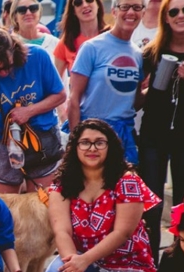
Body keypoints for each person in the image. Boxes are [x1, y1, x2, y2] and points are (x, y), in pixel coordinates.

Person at [44, 119, 160, 272]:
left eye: (99, 143)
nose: (92, 149)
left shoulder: (128, 180)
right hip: (85, 263)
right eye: (85, 143)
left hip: (126, 264)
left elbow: (122, 233)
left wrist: (82, 261)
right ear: (75, 147)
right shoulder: (62, 184)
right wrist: (72, 267)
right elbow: (62, 230)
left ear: (111, 147)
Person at [0, 29, 66, 193]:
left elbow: (60, 95)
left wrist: (29, 111)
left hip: (42, 137)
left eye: (8, 66)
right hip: (3, 142)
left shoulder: (38, 56)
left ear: (14, 49)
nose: (4, 73)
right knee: (5, 204)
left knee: (43, 205)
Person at [138, 0, 184, 259]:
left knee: (183, 205)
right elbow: (136, 102)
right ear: (165, 17)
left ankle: (179, 259)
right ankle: (149, 261)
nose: (180, 15)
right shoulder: (152, 52)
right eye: (174, 11)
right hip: (153, 137)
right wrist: (144, 87)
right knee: (150, 202)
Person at [67, 0, 145, 165]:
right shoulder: (91, 48)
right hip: (92, 133)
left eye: (137, 7)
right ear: (114, 11)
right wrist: (76, 142)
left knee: (124, 188)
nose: (131, 12)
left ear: (143, 13)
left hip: (123, 135)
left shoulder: (138, 54)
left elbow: (133, 101)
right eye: (124, 7)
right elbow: (73, 99)